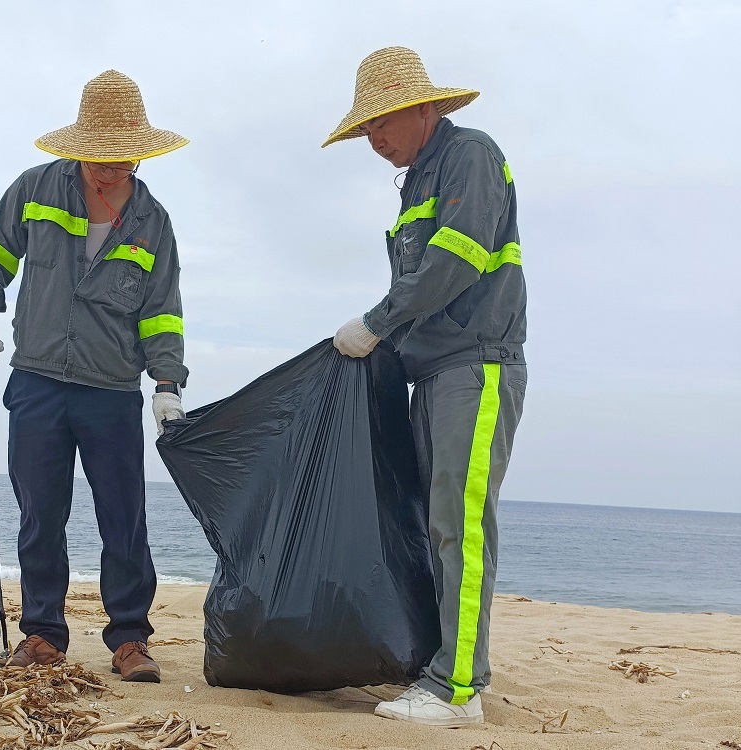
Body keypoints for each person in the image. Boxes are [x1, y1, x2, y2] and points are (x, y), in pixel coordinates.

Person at [0, 70, 189, 682]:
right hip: (37, 381)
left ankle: (130, 639)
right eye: (97, 157)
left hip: (112, 390)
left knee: (124, 517)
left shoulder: (153, 221)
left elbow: (162, 312)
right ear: (79, 146)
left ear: (139, 153)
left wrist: (167, 387)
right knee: (40, 514)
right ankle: (41, 635)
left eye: (120, 158)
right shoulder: (35, 188)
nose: (107, 170)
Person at [324, 47, 527, 727]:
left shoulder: (470, 155)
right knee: (436, 525)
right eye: (366, 129)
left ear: (424, 108)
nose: (374, 139)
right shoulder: (417, 182)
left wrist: (376, 323)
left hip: (477, 365)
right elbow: (420, 284)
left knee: (460, 525)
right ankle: (446, 666)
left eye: (381, 122)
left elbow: (454, 261)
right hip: (434, 372)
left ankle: (459, 690)